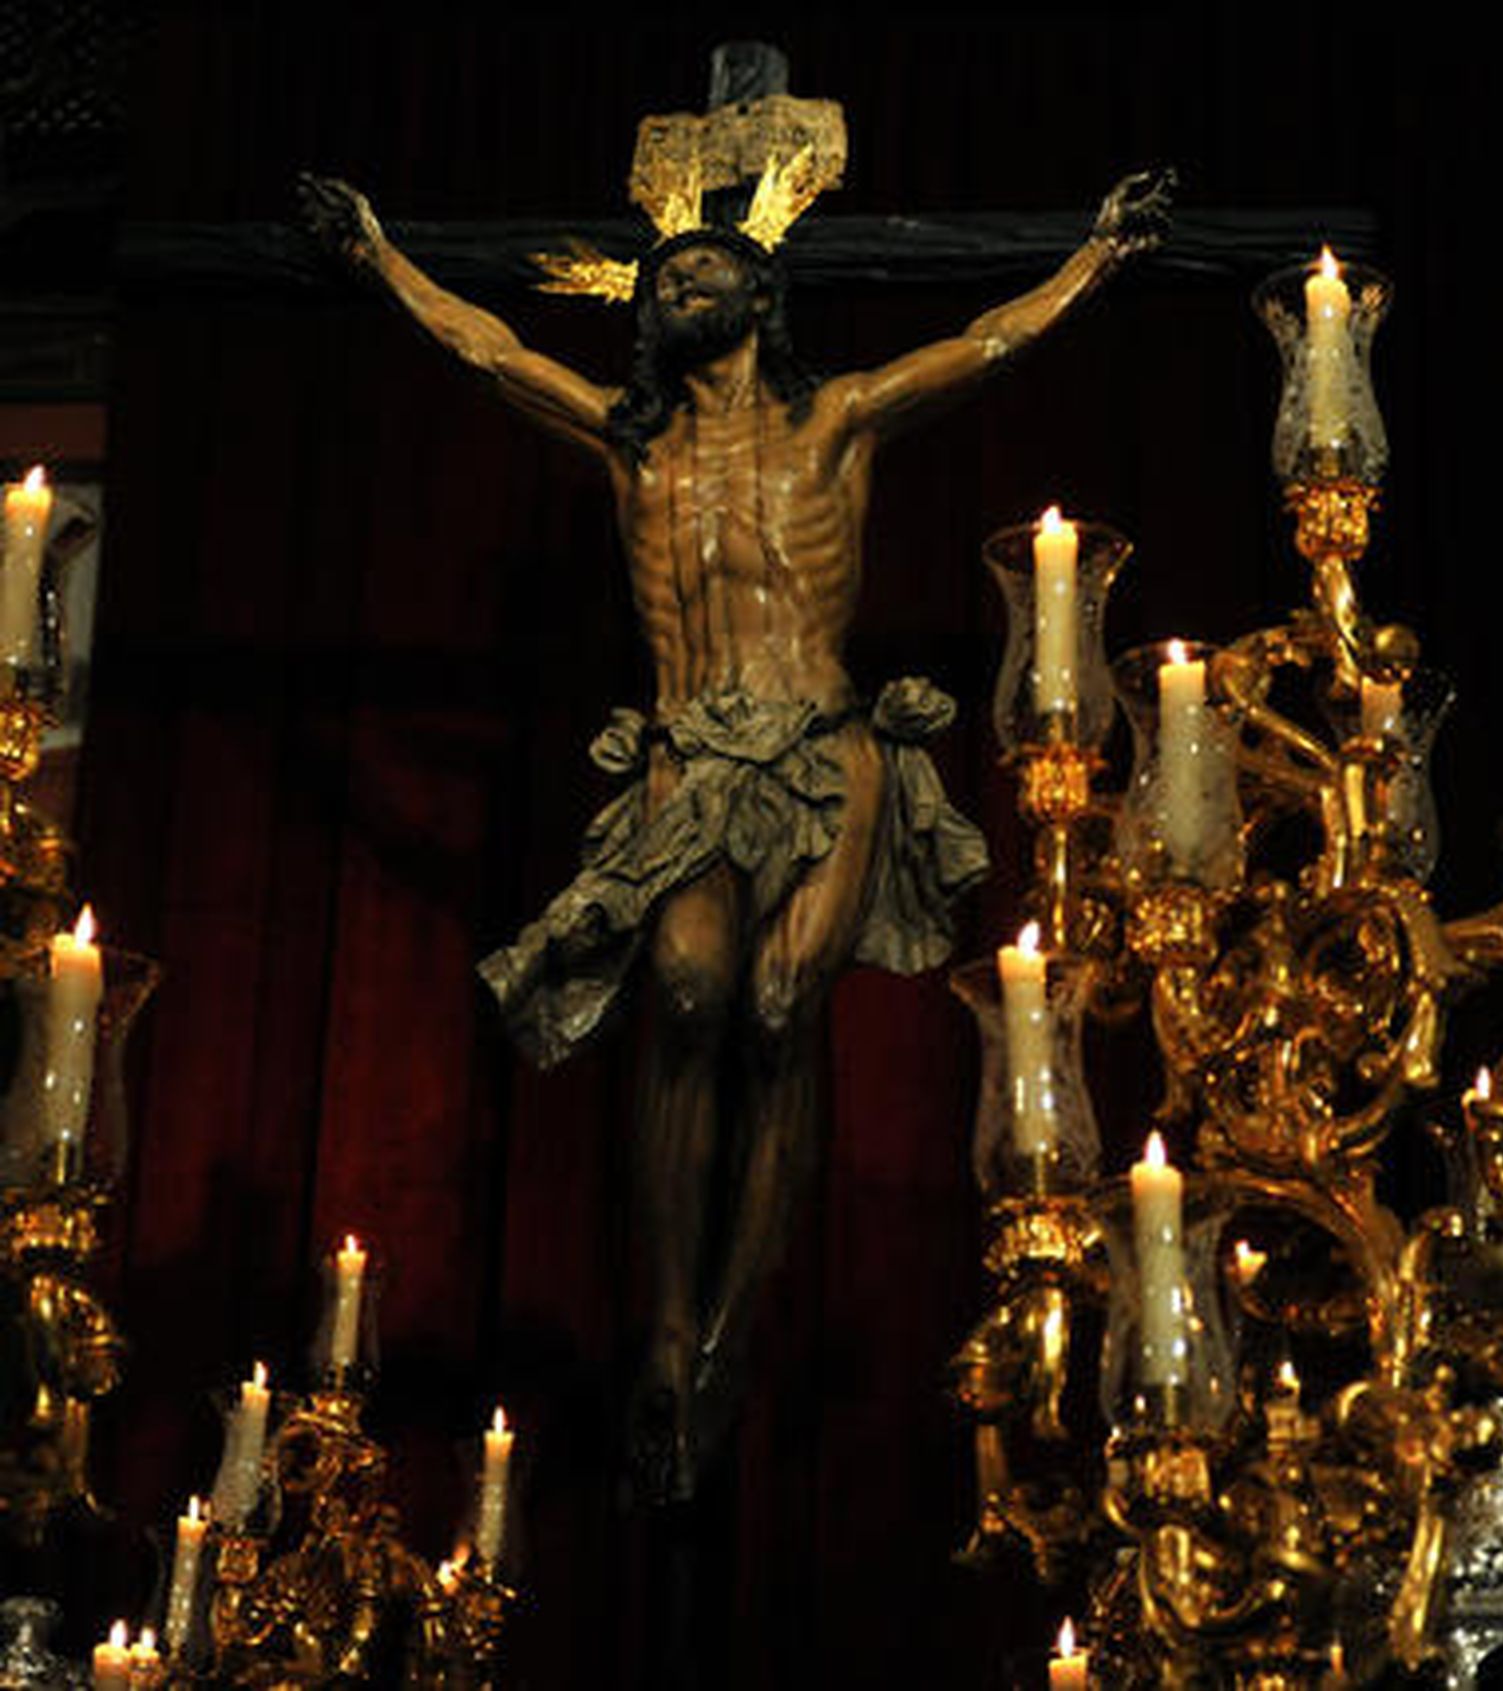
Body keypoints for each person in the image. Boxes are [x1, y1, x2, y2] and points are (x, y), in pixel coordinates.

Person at [300, 164, 1172, 1500]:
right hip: (685, 754)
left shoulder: (838, 420)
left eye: (703, 269)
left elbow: (987, 344)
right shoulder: (633, 445)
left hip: (827, 744)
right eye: (661, 279)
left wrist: (1097, 258)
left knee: (775, 1008)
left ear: (761, 294)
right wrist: (377, 256)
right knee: (692, 991)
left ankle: (728, 1332)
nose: (677, 285)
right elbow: (490, 354)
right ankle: (664, 1320)